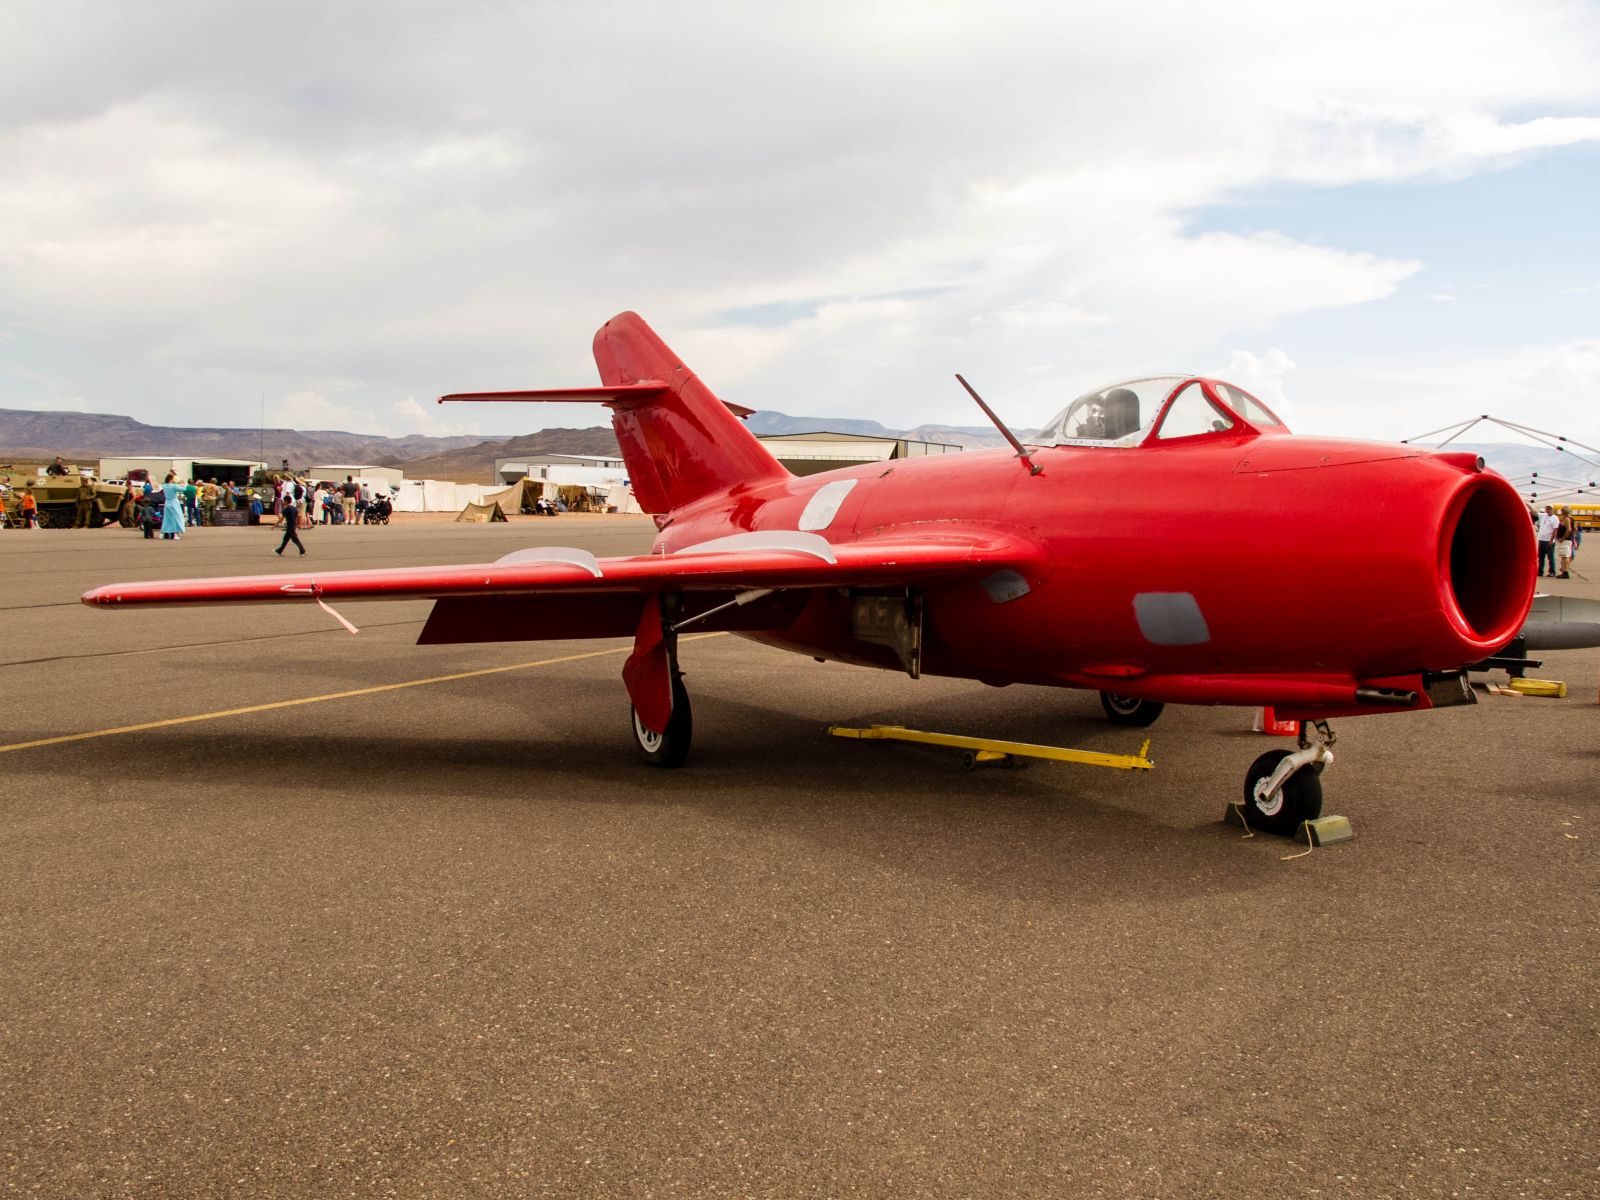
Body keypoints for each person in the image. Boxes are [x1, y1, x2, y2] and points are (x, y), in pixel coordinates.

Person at [275, 490, 306, 556]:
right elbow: (296, 517)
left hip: (290, 526)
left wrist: (275, 525)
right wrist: (296, 525)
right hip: (293, 525)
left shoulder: (286, 509)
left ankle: (302, 551)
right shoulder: (294, 508)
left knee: (295, 539)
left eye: (284, 501)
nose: (283, 502)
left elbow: (282, 519)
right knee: (285, 539)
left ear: (286, 501)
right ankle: (279, 551)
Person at [159, 472, 186, 540]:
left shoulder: (164, 485)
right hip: (174, 503)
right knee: (177, 518)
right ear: (171, 479)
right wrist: (183, 484)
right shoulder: (174, 486)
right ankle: (175, 534)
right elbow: (183, 489)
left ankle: (162, 533)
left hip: (167, 503)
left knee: (166, 519)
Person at [1536, 505, 1559, 577]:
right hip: (1542, 539)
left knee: (1550, 557)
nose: (1548, 510)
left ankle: (1552, 571)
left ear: (1553, 510)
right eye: (1547, 509)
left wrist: (1551, 540)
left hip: (1548, 540)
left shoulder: (1555, 518)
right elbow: (1535, 513)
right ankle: (1540, 571)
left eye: (1550, 509)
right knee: (1541, 557)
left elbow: (1555, 530)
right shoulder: (1544, 516)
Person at [1555, 507, 1575, 579]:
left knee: (1565, 556)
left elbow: (1568, 529)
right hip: (1567, 540)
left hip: (1565, 540)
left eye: (1562, 511)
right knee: (1564, 556)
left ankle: (1565, 572)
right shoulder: (1570, 518)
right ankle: (1564, 571)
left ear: (1564, 511)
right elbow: (1574, 529)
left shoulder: (1567, 519)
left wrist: (1563, 538)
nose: (1561, 512)